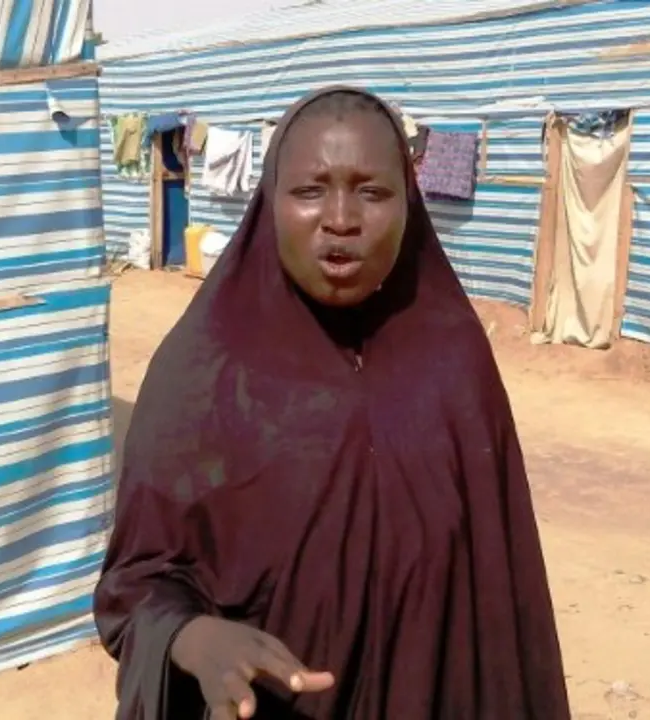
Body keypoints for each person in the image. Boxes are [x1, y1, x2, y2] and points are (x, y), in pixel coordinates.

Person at [93, 86, 571, 720]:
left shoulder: (454, 364)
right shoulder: (207, 374)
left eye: (372, 191)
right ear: (268, 204)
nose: (340, 218)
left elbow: (504, 593)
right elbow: (136, 583)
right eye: (310, 191)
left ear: (410, 205)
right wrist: (191, 637)